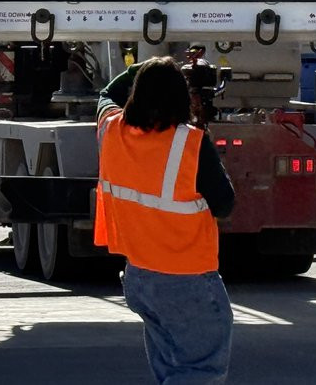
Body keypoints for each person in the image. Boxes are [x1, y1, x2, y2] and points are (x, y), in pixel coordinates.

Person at [95, 57, 236, 384]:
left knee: (172, 370)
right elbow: (225, 204)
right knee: (201, 370)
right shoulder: (190, 143)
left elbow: (105, 94)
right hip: (186, 277)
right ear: (181, 97)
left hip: (139, 276)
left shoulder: (111, 129)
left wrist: (136, 69)